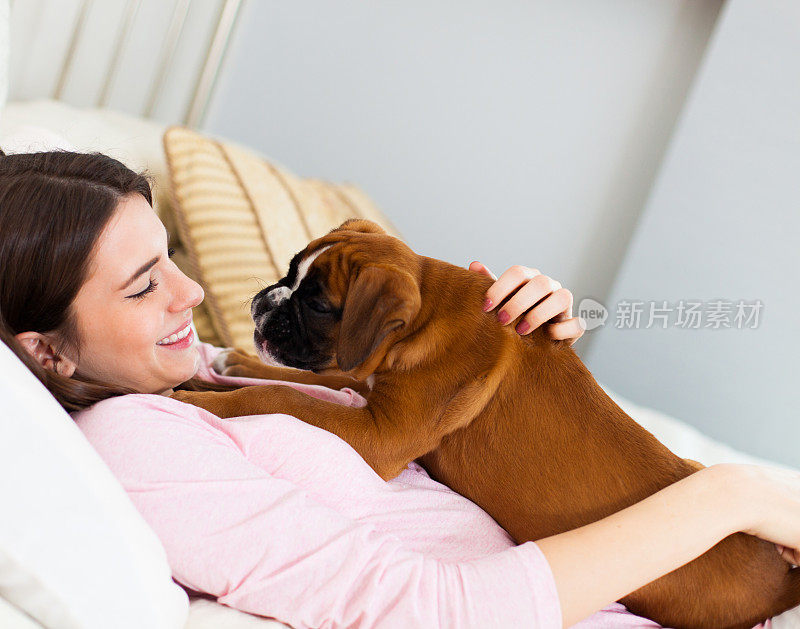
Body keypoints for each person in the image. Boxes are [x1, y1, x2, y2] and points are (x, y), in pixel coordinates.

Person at [1, 149, 798, 629]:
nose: (193, 292)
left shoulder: (197, 369)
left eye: (172, 255)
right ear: (46, 351)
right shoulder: (138, 440)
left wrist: (521, 351)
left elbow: (405, 397)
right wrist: (732, 495)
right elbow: (433, 611)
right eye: (144, 287)